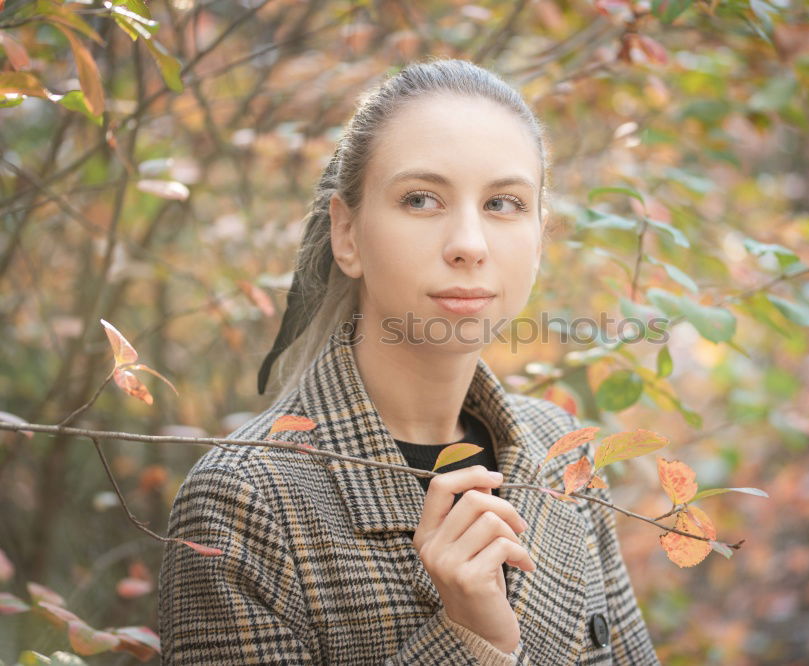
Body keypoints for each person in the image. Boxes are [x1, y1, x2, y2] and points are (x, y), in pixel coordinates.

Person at [157, 57, 659, 665]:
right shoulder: (243, 501)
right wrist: (472, 641)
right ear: (348, 235)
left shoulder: (564, 457)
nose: (469, 245)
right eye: (421, 199)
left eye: (503, 204)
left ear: (538, 237)